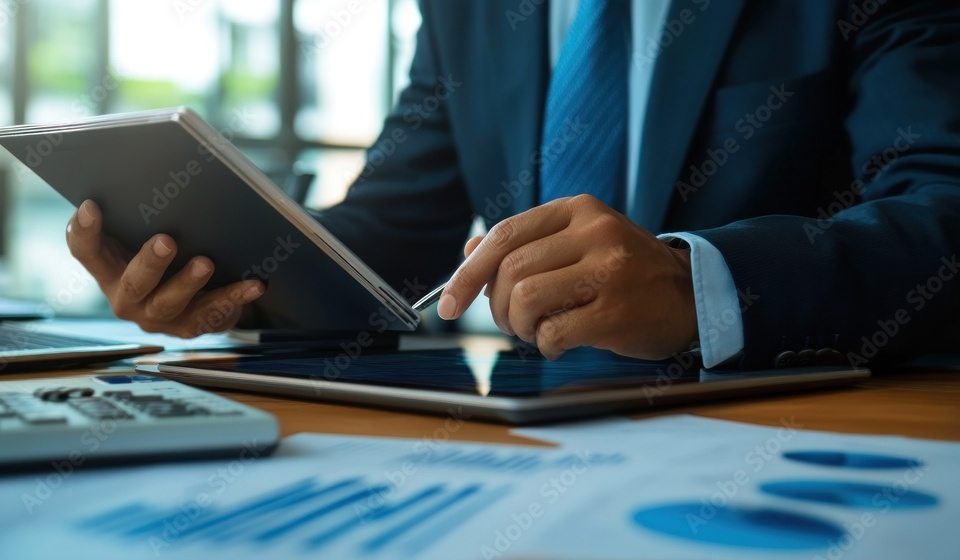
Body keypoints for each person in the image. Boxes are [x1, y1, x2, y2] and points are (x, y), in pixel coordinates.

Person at [65, 0, 960, 369]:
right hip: (528, 436)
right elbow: (394, 229)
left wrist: (702, 283)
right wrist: (230, 283)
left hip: (804, 431)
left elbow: (944, 204)